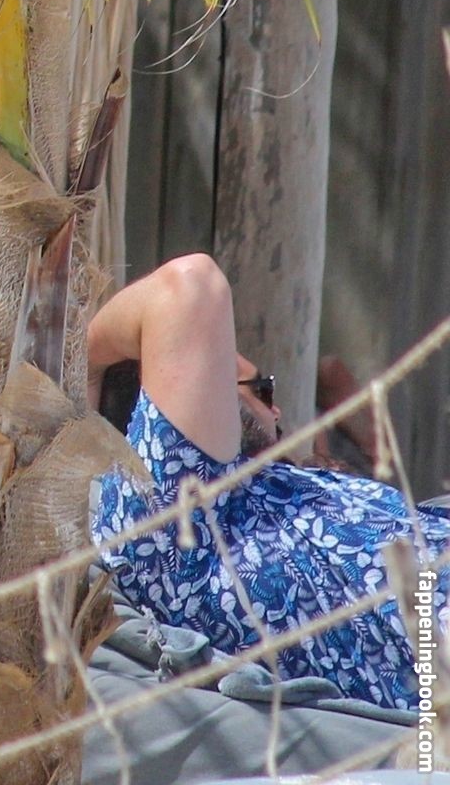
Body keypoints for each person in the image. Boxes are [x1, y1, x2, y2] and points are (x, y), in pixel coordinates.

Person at [89, 254, 447, 712]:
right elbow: (189, 287)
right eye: (261, 388)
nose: (276, 410)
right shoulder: (168, 522)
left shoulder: (269, 496)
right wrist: (85, 365)